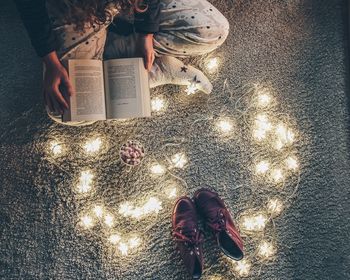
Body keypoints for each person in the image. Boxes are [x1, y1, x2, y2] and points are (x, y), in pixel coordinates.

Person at [14, 0, 229, 125]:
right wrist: (50, 60)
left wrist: (146, 33)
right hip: (74, 10)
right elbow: (29, 6)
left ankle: (140, 61)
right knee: (66, 110)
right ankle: (118, 56)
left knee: (212, 29)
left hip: (129, 4)